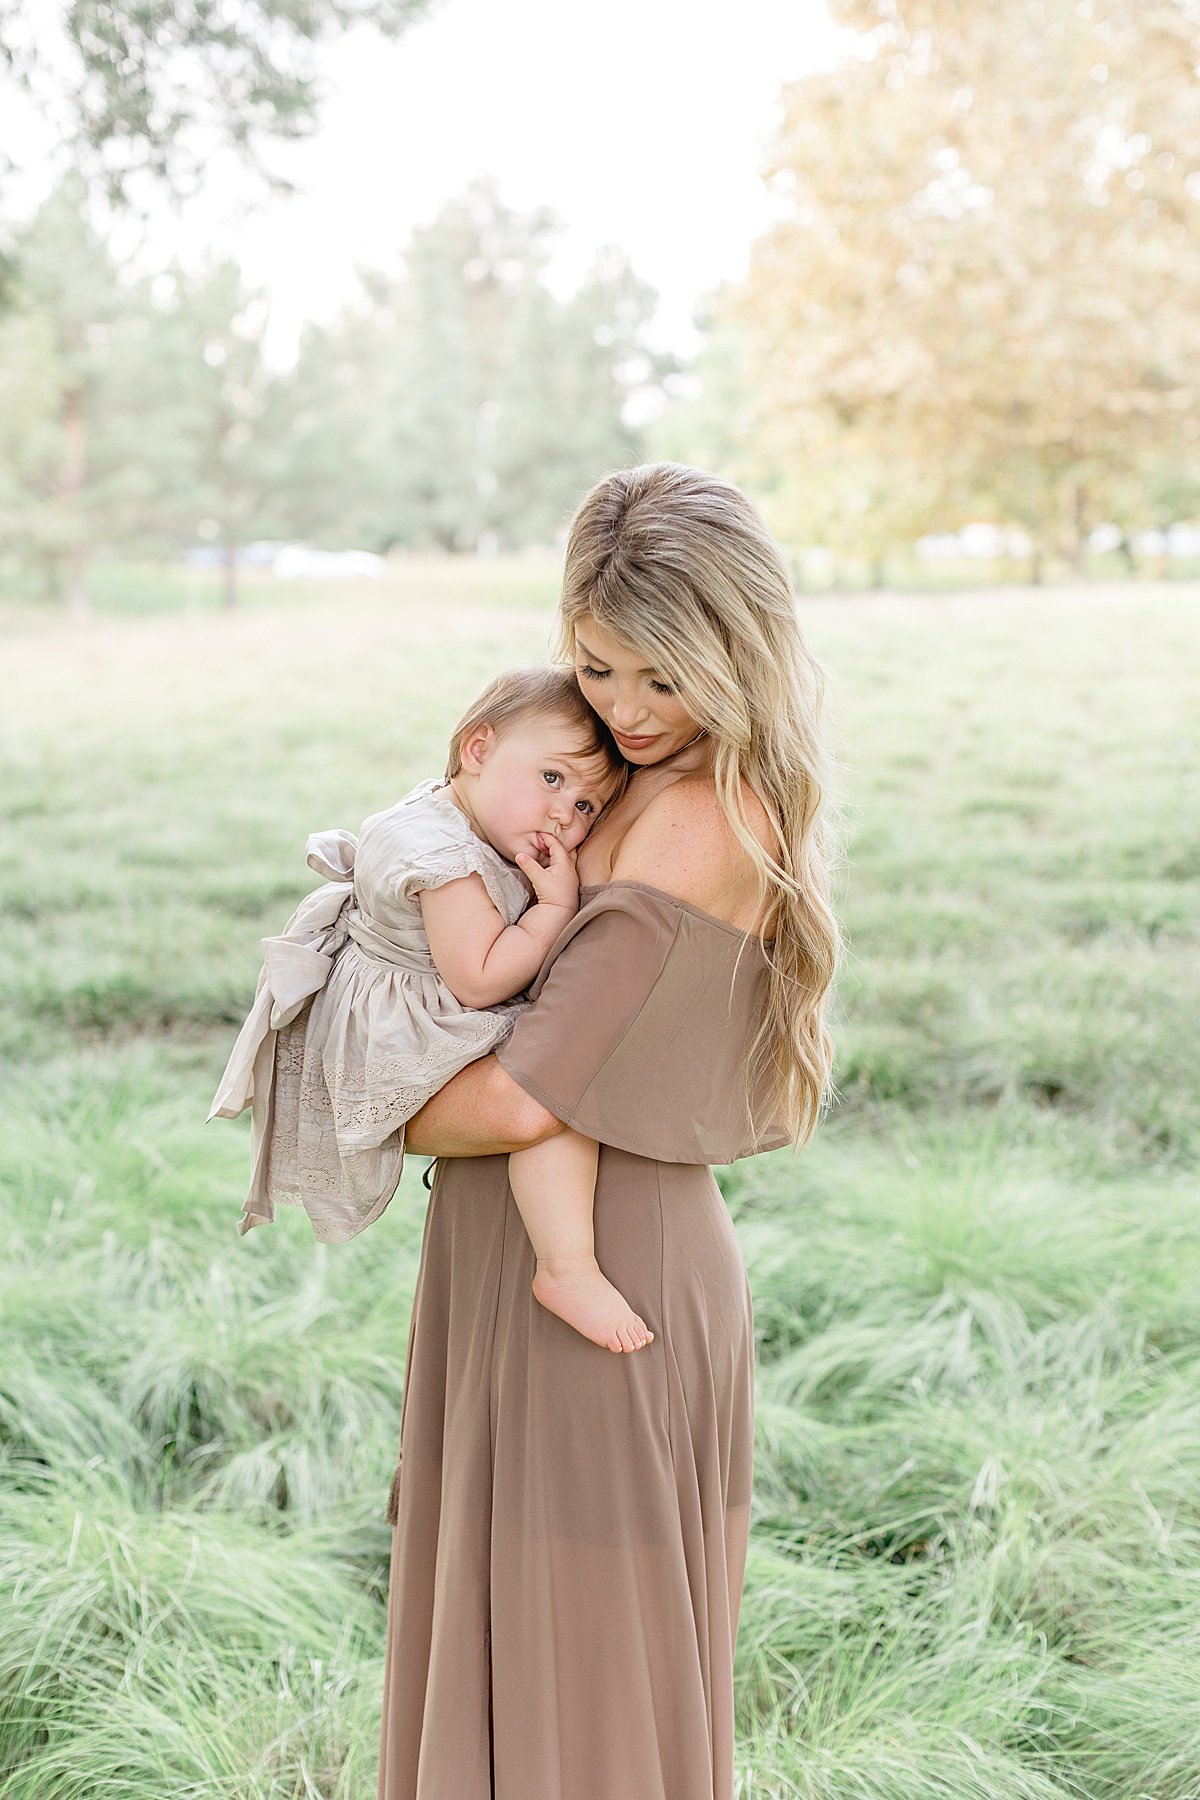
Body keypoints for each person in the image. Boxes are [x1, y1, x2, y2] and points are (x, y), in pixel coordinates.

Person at [376, 462, 844, 1800]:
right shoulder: (613, 776)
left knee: (579, 1714)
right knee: (523, 1670)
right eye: (602, 669)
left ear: (736, 654)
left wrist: (364, 1101)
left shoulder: (692, 814)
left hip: (600, 1275)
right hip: (518, 1261)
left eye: (666, 680)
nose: (630, 713)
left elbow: (527, 1094)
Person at [207, 666, 656, 1353]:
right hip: (398, 1030)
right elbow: (479, 980)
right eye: (553, 779)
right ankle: (567, 1268)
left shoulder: (457, 808)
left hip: (401, 1000)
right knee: (557, 1096)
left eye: (589, 805)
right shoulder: (446, 860)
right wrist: (558, 908)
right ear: (477, 751)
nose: (567, 813)